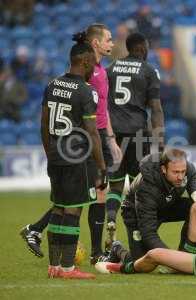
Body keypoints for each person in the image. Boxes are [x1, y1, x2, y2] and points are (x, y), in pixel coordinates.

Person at [20, 24, 122, 265]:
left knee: (81, 195)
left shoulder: (98, 72)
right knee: (89, 195)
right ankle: (94, 254)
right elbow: (90, 113)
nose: (112, 44)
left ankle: (38, 231)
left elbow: (102, 109)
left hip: (91, 137)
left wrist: (111, 138)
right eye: (108, 39)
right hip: (87, 139)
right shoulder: (91, 77)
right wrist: (102, 143)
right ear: (95, 44)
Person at [41, 36, 107, 279]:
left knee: (58, 208)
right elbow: (92, 133)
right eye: (92, 63)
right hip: (76, 158)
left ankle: (54, 266)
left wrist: (50, 154)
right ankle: (68, 268)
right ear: (87, 61)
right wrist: (101, 166)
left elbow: (44, 124)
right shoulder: (85, 91)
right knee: (73, 211)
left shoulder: (52, 85)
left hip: (56, 157)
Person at [105, 32, 165, 248]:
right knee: (138, 186)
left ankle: (111, 218)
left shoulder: (110, 69)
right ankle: (138, 233)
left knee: (115, 186)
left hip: (113, 136)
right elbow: (156, 108)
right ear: (142, 48)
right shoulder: (149, 71)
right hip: (138, 134)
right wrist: (160, 140)